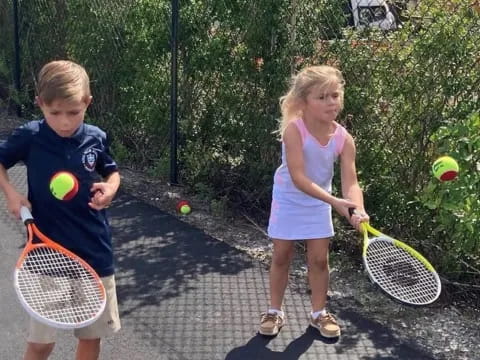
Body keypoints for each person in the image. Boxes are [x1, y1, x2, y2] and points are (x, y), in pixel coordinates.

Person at [0, 60, 121, 360]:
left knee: (91, 339)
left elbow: (112, 171)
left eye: (73, 112)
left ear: (87, 103)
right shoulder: (30, 136)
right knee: (41, 344)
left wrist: (111, 188)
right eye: (54, 113)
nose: (65, 121)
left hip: (95, 254)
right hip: (45, 256)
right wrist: (12, 194)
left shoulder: (96, 137)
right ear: (39, 103)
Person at [259, 65, 369, 338]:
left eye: (335, 95)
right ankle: (274, 310)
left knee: (319, 260)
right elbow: (298, 177)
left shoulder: (344, 138)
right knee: (282, 255)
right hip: (289, 198)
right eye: (322, 97)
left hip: (320, 201)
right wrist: (335, 202)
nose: (331, 102)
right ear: (303, 102)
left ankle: (319, 313)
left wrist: (358, 208)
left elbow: (351, 182)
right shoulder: (294, 131)